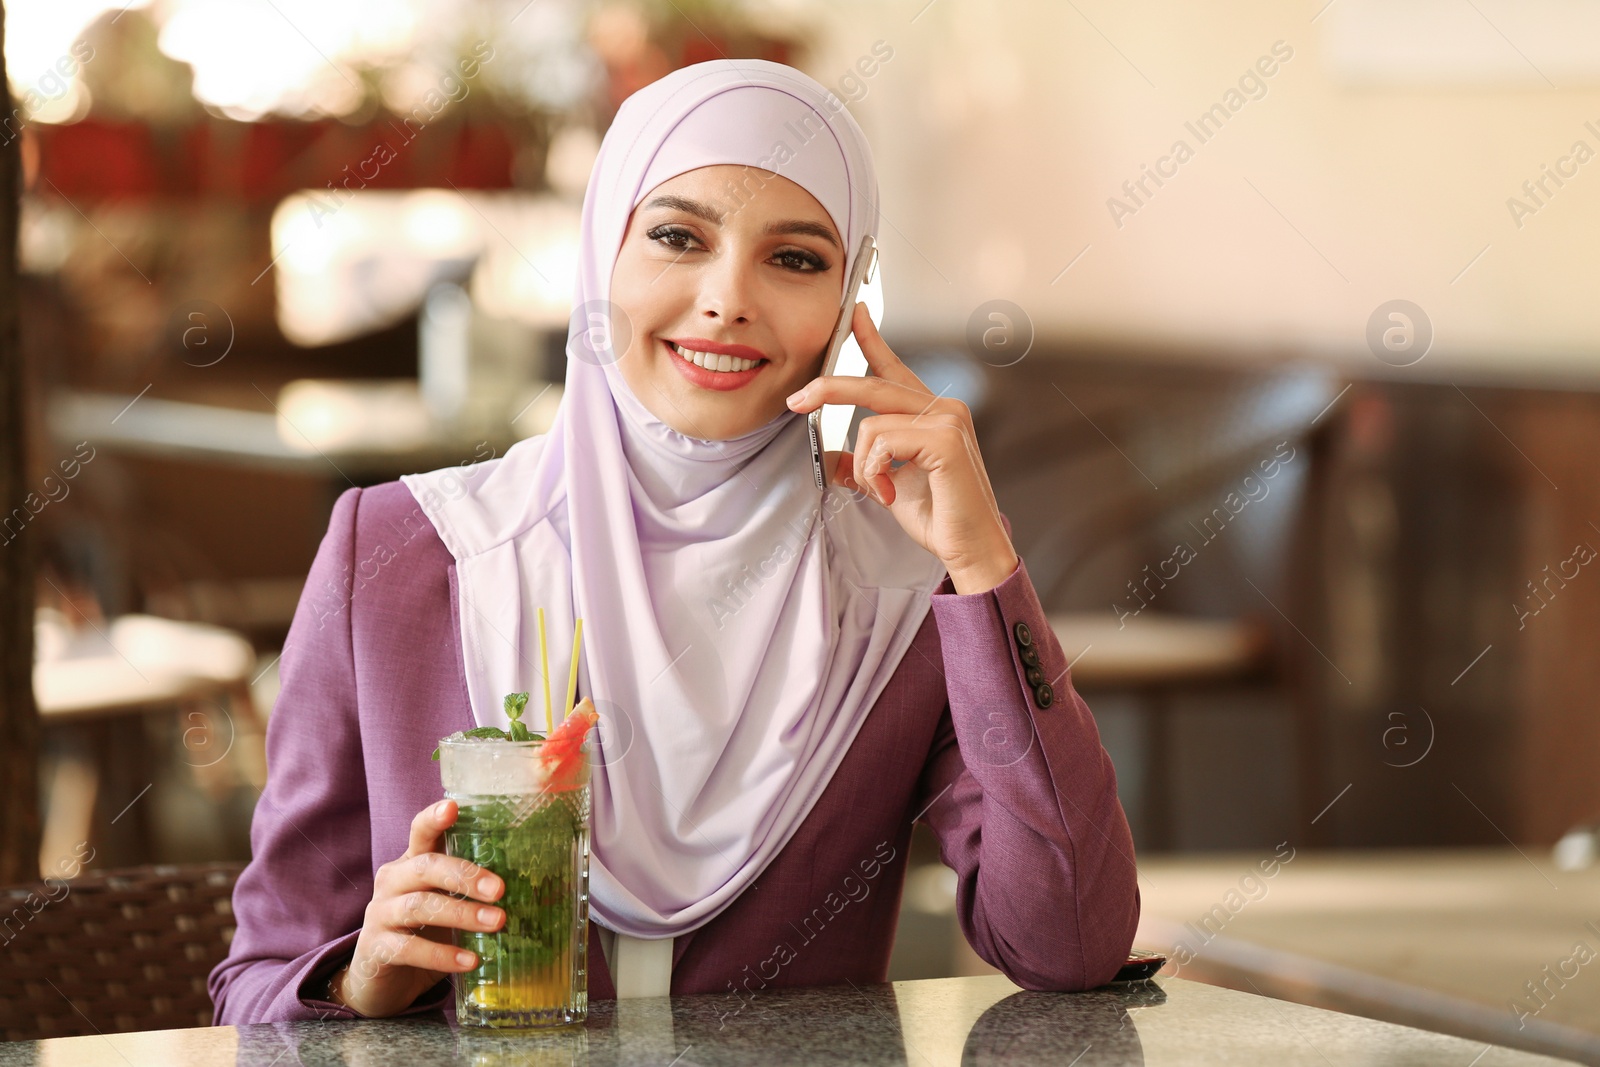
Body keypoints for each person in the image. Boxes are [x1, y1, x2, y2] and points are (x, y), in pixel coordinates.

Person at [208, 58, 1139, 1024]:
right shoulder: (405, 550)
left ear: (849, 308)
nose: (728, 298)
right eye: (675, 237)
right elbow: (254, 989)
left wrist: (984, 566)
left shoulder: (897, 588)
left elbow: (1069, 944)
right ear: (599, 255)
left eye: (796, 259)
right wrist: (362, 976)